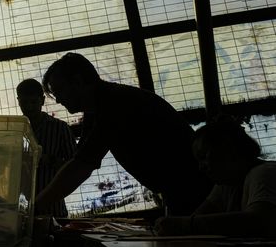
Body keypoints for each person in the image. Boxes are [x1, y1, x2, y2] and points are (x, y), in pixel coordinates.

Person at [35, 52, 213, 217]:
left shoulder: (112, 106)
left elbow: (81, 165)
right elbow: (80, 160)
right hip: (184, 188)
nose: (58, 100)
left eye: (59, 91)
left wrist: (36, 206)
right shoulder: (101, 106)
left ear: (78, 82)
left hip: (191, 189)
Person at [154, 115, 276, 237]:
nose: (201, 167)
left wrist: (184, 225)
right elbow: (197, 217)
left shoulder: (264, 173)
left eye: (204, 157)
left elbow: (259, 221)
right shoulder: (228, 184)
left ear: (228, 149)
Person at [16, 78, 77, 217]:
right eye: (25, 103)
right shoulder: (15, 131)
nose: (29, 107)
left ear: (42, 100)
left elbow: (74, 166)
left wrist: (49, 160)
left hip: (48, 209)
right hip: (41, 208)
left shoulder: (60, 129)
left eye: (33, 102)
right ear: (18, 101)